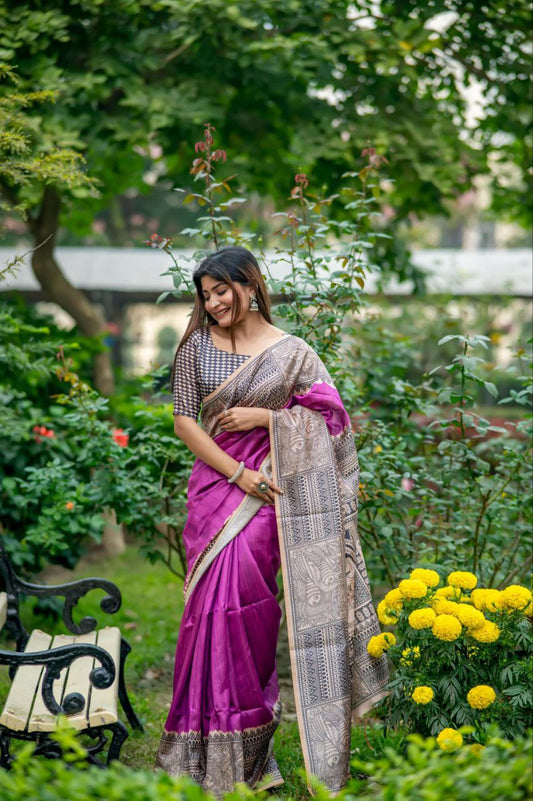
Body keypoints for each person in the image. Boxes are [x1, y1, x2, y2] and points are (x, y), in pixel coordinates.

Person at [155, 246, 388, 797]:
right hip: (219, 488)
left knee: (247, 614)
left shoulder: (294, 353)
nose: (212, 304)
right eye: (205, 295)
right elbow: (184, 423)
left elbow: (332, 419)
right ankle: (199, 751)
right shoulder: (194, 348)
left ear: (251, 285)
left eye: (222, 292)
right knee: (204, 618)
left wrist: (268, 417)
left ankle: (249, 757)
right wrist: (237, 473)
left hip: (272, 495)